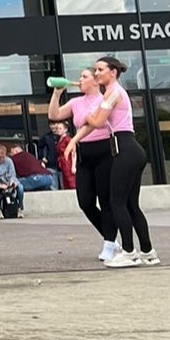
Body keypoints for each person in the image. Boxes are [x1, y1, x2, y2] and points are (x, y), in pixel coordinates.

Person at [68, 56, 156, 268]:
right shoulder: (110, 93)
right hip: (128, 149)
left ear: (113, 72)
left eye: (100, 70)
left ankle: (129, 252)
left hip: (125, 149)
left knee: (117, 203)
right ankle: (148, 252)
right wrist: (74, 140)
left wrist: (86, 118)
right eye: (96, 70)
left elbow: (97, 122)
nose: (97, 73)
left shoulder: (113, 92)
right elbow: (94, 123)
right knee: (131, 205)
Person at [49, 69, 118, 261]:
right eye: (80, 77)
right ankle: (111, 238)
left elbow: (95, 123)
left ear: (96, 81)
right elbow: (54, 115)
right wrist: (56, 94)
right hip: (84, 154)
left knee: (106, 200)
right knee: (85, 202)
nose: (80, 80)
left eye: (84, 76)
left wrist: (73, 140)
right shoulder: (76, 102)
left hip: (104, 151)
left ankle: (109, 242)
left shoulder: (104, 99)